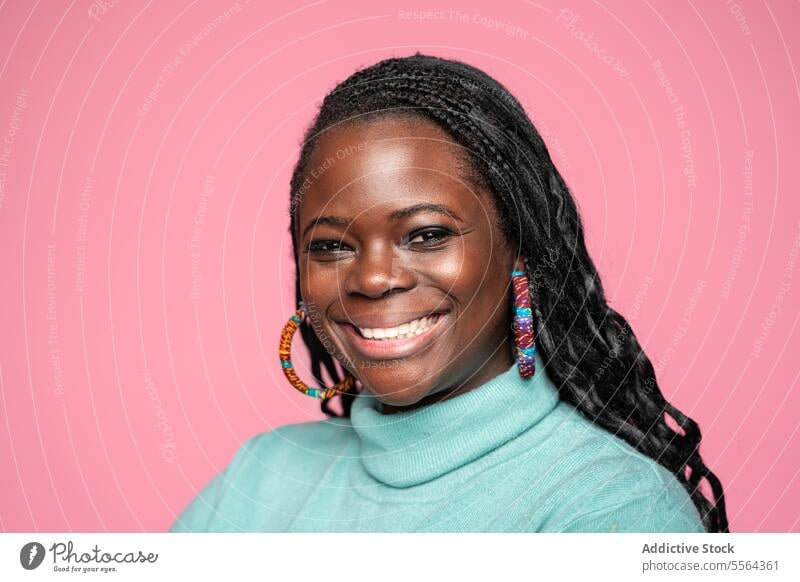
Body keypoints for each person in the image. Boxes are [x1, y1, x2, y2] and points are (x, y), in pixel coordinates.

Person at [170, 52, 729, 533]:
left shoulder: (610, 507)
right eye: (332, 246)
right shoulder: (262, 475)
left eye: (428, 235)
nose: (372, 279)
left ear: (518, 246)